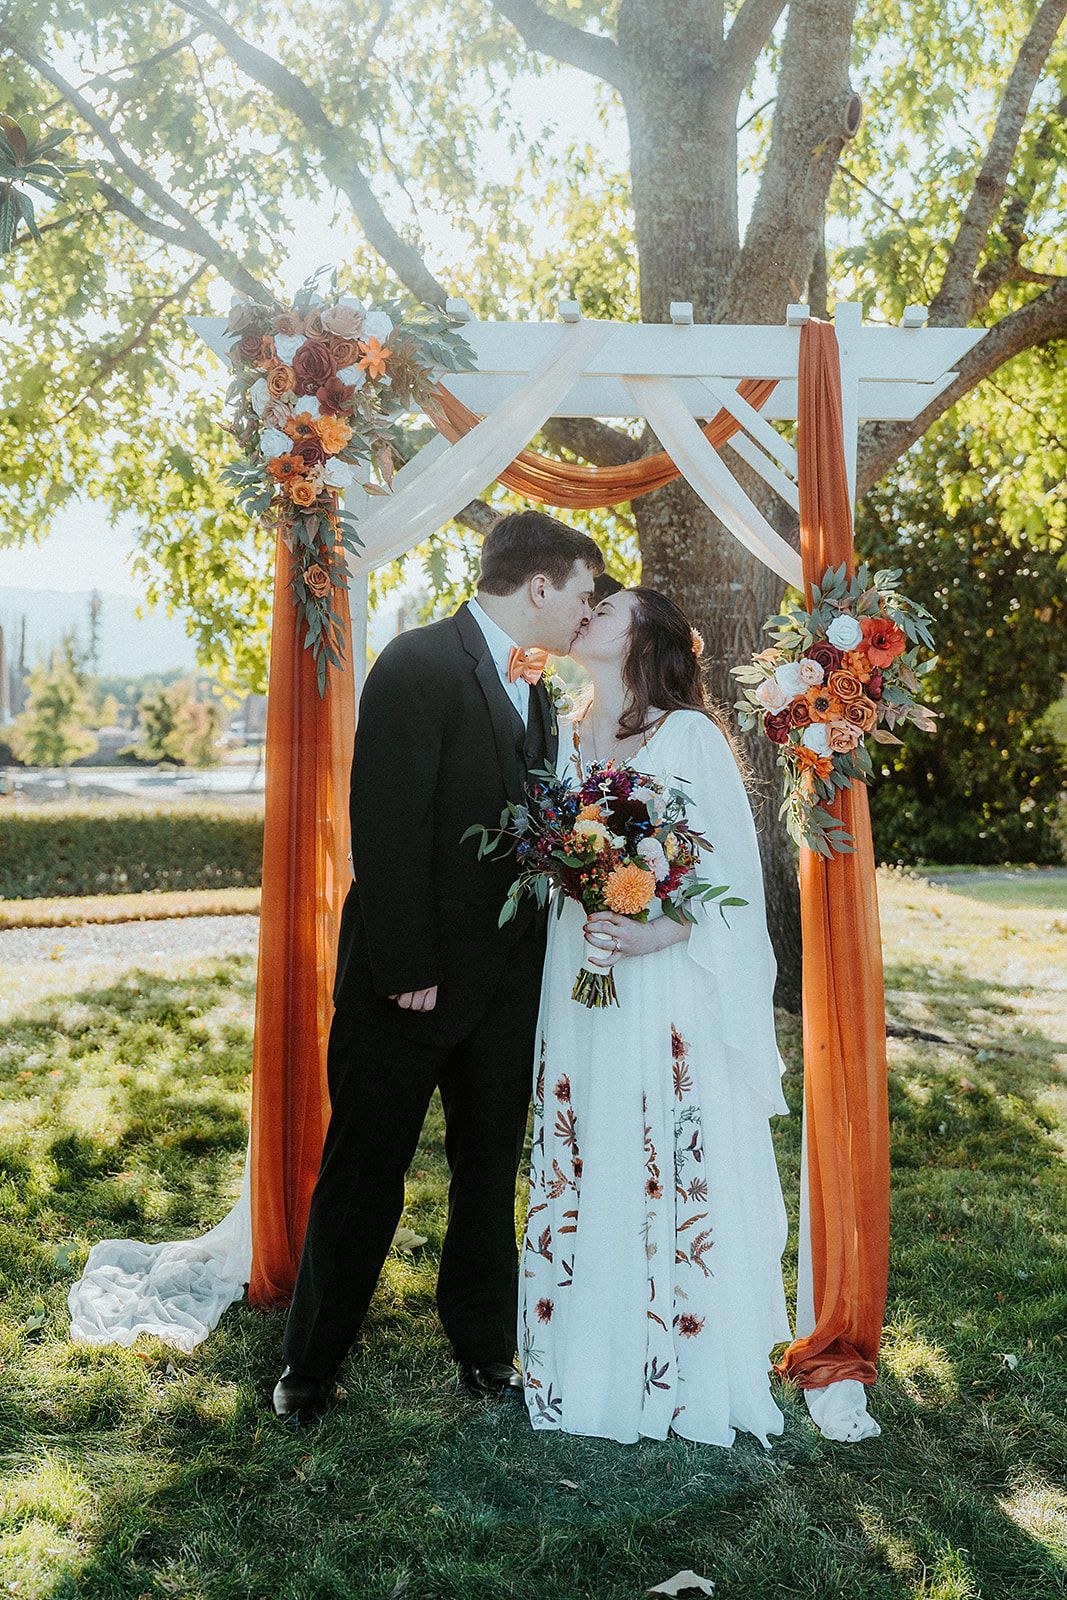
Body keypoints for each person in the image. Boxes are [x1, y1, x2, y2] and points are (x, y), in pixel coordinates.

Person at [272, 509, 604, 1423]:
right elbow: (383, 826)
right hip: (405, 986)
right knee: (364, 1168)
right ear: (538, 585)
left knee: (488, 1166)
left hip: (504, 992)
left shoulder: (536, 696)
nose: (585, 613)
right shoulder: (416, 662)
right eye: (581, 594)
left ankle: (484, 1350)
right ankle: (309, 1363)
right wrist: (406, 964)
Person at [518, 586, 793, 1447]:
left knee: (653, 1136)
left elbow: (733, 884)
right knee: (586, 1133)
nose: (588, 611)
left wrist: (659, 931)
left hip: (662, 980)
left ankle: (676, 1356)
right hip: (577, 969)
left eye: (610, 606)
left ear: (647, 637)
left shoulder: (689, 737)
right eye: (588, 603)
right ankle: (582, 1346)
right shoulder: (552, 730)